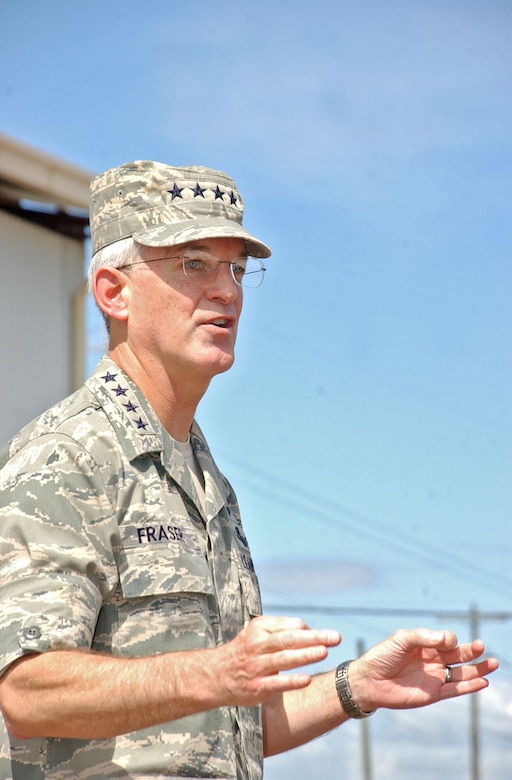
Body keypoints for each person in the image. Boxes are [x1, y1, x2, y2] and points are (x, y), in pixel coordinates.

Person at [0, 160, 498, 780]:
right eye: (193, 263)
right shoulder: (68, 457)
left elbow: (224, 733)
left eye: (236, 268)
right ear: (113, 291)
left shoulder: (208, 483)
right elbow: (25, 692)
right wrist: (211, 672)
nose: (227, 291)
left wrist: (352, 688)